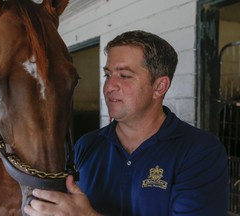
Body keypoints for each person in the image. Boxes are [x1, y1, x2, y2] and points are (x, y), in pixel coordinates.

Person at [24, 30, 229, 216]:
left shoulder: (200, 151)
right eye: (108, 74)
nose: (109, 86)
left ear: (159, 86)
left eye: (124, 75)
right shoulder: (86, 146)